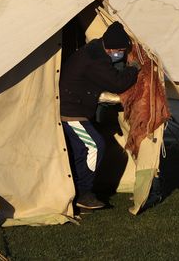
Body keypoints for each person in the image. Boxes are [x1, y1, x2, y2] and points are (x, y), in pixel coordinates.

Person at [59, 21, 139, 210]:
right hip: (72, 112)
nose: (120, 53)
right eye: (119, 50)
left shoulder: (95, 50)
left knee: (81, 151)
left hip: (75, 109)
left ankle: (78, 190)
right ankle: (84, 193)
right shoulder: (95, 60)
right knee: (94, 145)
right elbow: (117, 83)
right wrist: (134, 69)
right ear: (110, 47)